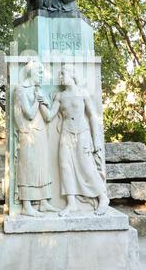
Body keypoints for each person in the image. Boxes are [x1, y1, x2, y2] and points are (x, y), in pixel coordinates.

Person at [38, 66, 109, 216]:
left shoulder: (83, 93)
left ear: (72, 75)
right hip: (66, 133)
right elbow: (50, 116)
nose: (61, 77)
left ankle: (103, 198)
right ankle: (71, 204)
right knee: (65, 167)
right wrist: (42, 102)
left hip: (82, 133)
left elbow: (93, 116)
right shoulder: (60, 96)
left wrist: (96, 140)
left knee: (87, 167)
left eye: (63, 73)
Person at [14, 60, 59, 217]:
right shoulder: (21, 89)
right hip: (28, 134)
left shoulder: (38, 89)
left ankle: (43, 203)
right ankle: (26, 205)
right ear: (31, 71)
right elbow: (29, 113)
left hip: (40, 132)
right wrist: (37, 101)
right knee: (28, 167)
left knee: (42, 166)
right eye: (39, 71)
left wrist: (45, 101)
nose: (41, 74)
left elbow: (47, 116)